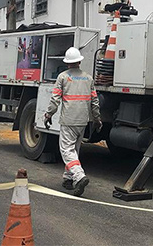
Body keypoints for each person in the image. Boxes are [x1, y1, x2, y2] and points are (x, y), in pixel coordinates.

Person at [44, 47, 102, 196]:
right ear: (79, 61)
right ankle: (68, 179)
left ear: (67, 63)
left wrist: (48, 114)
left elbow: (55, 99)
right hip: (82, 120)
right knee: (74, 150)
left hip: (68, 120)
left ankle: (78, 176)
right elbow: (95, 101)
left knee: (66, 150)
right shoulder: (88, 78)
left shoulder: (63, 77)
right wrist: (97, 119)